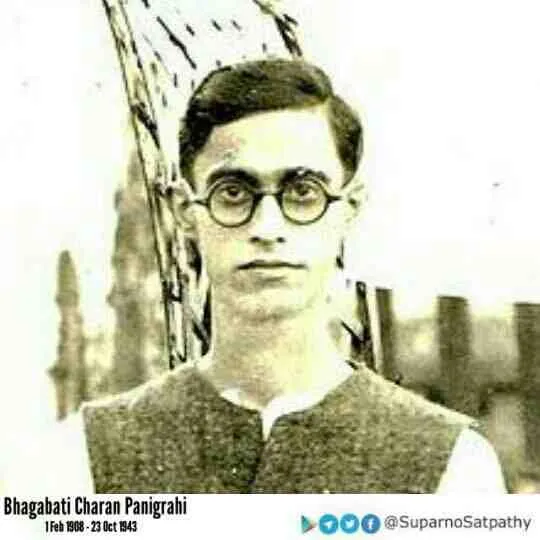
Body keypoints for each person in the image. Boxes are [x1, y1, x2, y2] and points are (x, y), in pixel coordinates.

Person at [6, 58, 507, 494]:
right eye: (233, 192)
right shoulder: (79, 461)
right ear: (185, 211)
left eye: (303, 192)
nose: (267, 228)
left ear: (349, 207)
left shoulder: (454, 467)